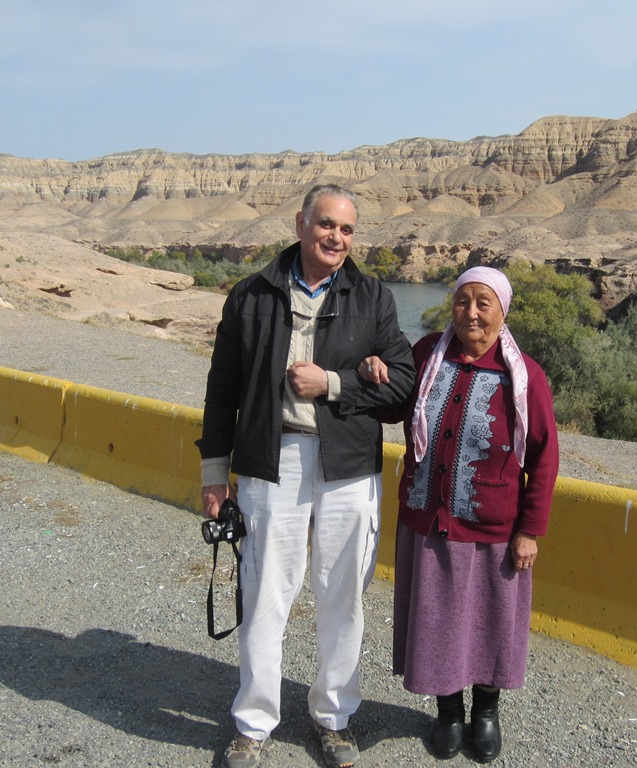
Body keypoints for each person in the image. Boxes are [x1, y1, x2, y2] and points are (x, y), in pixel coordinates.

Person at [196, 184, 415, 768]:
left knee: (343, 595)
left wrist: (336, 384)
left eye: (347, 230)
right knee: (266, 590)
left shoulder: (373, 298)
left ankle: (334, 718)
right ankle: (253, 722)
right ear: (300, 223)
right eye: (326, 225)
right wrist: (215, 472)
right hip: (274, 460)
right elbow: (221, 391)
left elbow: (404, 384)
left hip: (348, 467)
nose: (336, 238)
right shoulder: (252, 296)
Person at [362, 265, 558, 762]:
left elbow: (544, 459)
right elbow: (393, 409)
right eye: (462, 300)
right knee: (437, 622)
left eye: (482, 302)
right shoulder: (427, 353)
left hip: (493, 529)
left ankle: (486, 714)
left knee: (491, 623)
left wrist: (530, 531)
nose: (470, 312)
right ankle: (448, 713)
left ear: (502, 310)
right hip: (429, 520)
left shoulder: (524, 376)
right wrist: (375, 373)